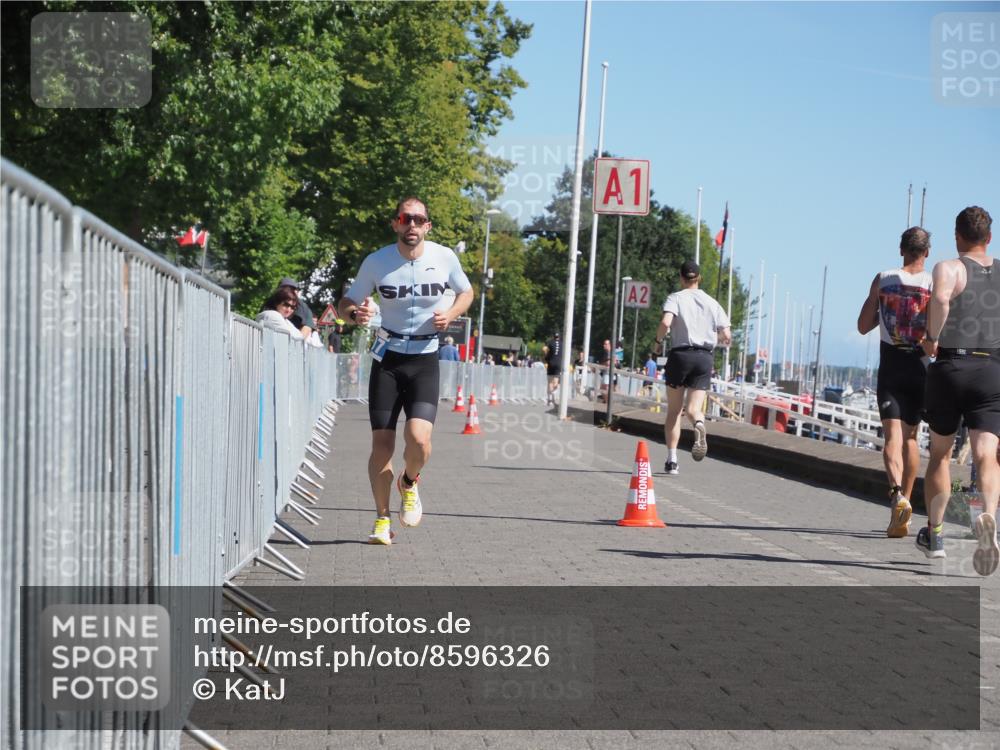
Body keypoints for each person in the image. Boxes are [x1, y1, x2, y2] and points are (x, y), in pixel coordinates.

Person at [338, 197, 474, 545]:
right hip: (388, 360)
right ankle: (383, 519)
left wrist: (452, 315)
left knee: (419, 439)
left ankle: (409, 481)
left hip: (424, 359)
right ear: (395, 224)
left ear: (427, 226)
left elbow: (467, 291)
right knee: (381, 446)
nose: (411, 225)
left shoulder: (444, 257)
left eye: (419, 220)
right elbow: (346, 303)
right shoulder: (377, 262)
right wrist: (355, 315)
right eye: (405, 219)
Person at [917, 206, 1000, 575]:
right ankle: (987, 519)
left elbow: (940, 298)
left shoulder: (949, 267)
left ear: (957, 235)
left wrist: (932, 337)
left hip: (952, 365)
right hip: (991, 369)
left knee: (940, 454)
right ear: (990, 237)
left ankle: (935, 536)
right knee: (986, 454)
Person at [856, 226, 932, 538]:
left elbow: (862, 326)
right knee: (912, 439)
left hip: (891, 365)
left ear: (901, 249)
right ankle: (907, 505)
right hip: (920, 367)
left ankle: (896, 497)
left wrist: (883, 316)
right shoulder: (933, 283)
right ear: (926, 253)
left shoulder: (883, 279)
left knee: (892, 439)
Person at [655, 260, 732, 475]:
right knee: (693, 409)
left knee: (674, 411)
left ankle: (672, 461)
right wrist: (709, 337)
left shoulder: (676, 298)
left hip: (680, 356)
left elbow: (665, 323)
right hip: (704, 358)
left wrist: (658, 342)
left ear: (681, 277)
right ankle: (698, 422)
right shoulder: (712, 303)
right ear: (699, 278)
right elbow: (727, 335)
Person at [543, 331, 562, 405]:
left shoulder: (550, 343)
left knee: (550, 382)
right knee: (556, 382)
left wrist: (545, 356)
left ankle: (549, 400)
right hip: (558, 364)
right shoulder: (562, 344)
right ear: (559, 337)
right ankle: (554, 394)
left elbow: (546, 353)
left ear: (553, 337)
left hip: (551, 363)